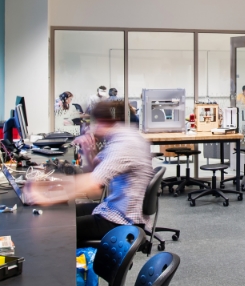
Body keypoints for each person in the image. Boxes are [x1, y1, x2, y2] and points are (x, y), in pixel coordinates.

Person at [26, 100, 153, 246]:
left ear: (102, 122)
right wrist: (88, 151)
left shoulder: (124, 144)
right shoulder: (121, 137)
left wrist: (46, 197)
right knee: (63, 211)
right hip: (114, 208)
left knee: (55, 225)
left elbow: (94, 187)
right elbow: (97, 170)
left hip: (121, 221)